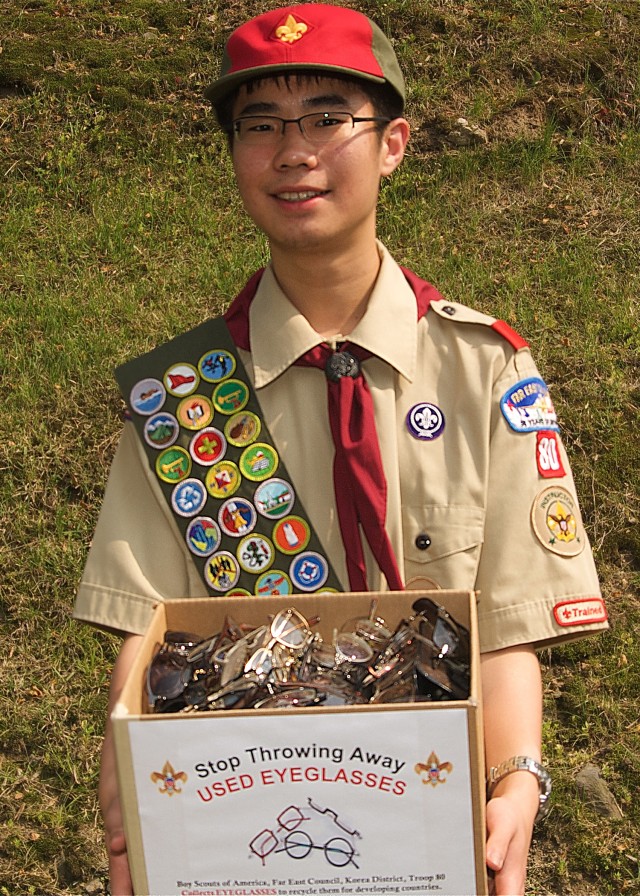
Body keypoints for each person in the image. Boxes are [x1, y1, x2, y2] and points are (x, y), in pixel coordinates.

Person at [73, 5, 609, 895]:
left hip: (436, 824)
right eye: (262, 126)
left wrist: (518, 782)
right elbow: (148, 627)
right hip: (242, 832)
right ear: (235, 153)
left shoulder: (486, 371)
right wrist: (126, 787)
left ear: (393, 143)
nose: (294, 151)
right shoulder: (186, 400)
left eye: (328, 118)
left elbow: (509, 623)